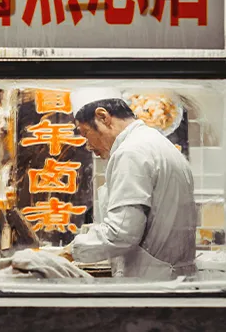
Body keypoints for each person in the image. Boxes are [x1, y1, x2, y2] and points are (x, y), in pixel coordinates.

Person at [64, 87, 197, 280]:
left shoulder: (131, 152)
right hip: (172, 279)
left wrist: (67, 252)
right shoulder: (156, 143)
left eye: (85, 133)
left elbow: (121, 233)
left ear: (103, 117)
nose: (88, 145)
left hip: (153, 284)